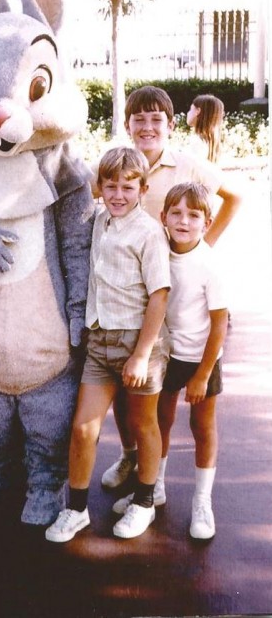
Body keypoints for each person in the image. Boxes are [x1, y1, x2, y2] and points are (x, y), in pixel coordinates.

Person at [100, 85, 241, 491]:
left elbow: (234, 197)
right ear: (128, 126)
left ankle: (154, 477)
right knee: (127, 385)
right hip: (130, 294)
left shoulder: (185, 163)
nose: (147, 127)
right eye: (138, 120)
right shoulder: (120, 164)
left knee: (162, 393)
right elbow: (94, 194)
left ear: (171, 124)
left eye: (155, 119)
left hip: (174, 292)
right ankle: (131, 457)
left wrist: (202, 246)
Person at [45, 146, 171, 542]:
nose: (118, 194)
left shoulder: (149, 232)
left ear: (142, 189)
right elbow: (75, 176)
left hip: (137, 342)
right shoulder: (99, 220)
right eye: (111, 186)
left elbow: (160, 295)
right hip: (99, 343)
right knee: (83, 429)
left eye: (128, 188)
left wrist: (141, 354)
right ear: (100, 187)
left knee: (141, 423)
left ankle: (145, 501)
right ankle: (76, 509)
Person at [113, 182, 228, 540]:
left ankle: (201, 501)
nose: (183, 220)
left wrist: (203, 375)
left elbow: (220, 325)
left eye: (193, 215)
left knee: (202, 427)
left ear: (206, 223)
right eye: (175, 213)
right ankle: (155, 486)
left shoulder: (209, 264)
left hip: (200, 357)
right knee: (160, 420)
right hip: (167, 353)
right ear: (162, 217)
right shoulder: (158, 250)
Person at [186, 94, 225, 164]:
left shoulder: (197, 142)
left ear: (197, 111)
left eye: (190, 109)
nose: (188, 113)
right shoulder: (211, 142)